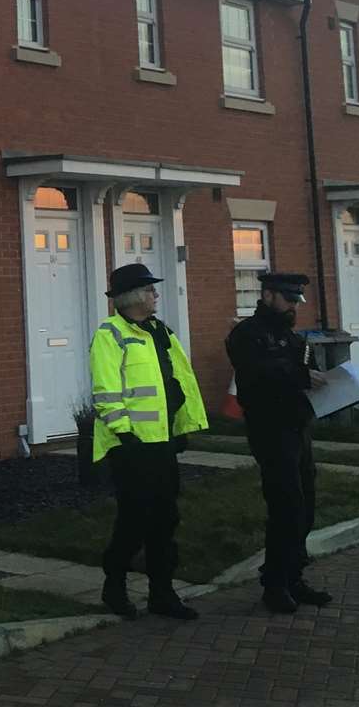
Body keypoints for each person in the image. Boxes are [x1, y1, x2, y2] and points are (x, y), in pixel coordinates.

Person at [90, 262, 208, 621]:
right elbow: (106, 392)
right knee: (133, 520)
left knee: (165, 519)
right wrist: (126, 435)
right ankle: (115, 586)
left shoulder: (161, 332)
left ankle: (162, 593)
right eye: (150, 290)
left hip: (164, 443)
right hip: (131, 447)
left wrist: (181, 427)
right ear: (134, 297)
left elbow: (179, 381)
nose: (156, 295)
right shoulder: (110, 335)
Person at [226, 271, 334, 614]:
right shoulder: (247, 335)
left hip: (298, 427)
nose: (292, 307)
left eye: (296, 301)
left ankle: (294, 576)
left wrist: (319, 379)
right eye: (288, 299)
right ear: (269, 295)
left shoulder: (293, 338)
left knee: (305, 504)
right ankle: (274, 583)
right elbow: (257, 373)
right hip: (270, 430)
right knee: (285, 504)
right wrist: (300, 375)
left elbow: (305, 371)